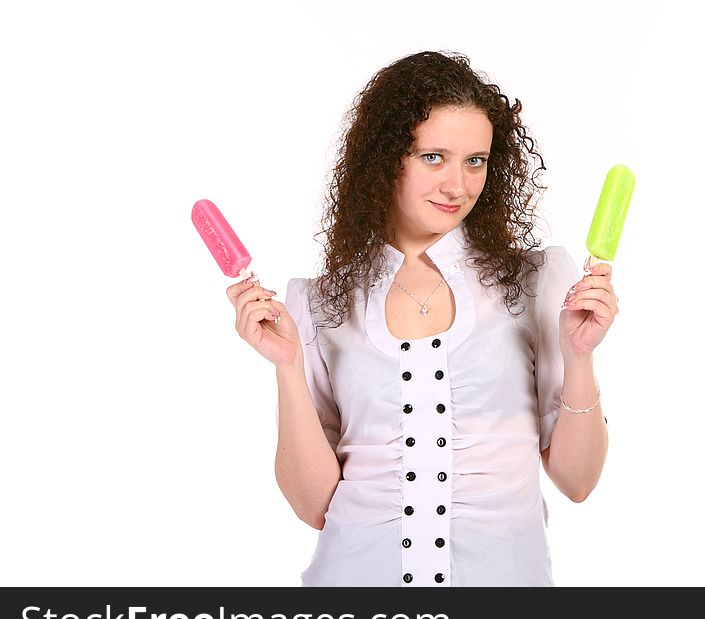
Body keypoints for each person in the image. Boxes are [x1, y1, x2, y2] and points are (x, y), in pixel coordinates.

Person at [226, 51, 617, 586]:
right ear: (386, 159)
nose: (458, 185)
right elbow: (313, 504)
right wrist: (288, 366)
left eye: (476, 160)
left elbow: (578, 480)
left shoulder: (536, 281)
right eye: (434, 157)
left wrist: (579, 357)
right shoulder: (317, 304)